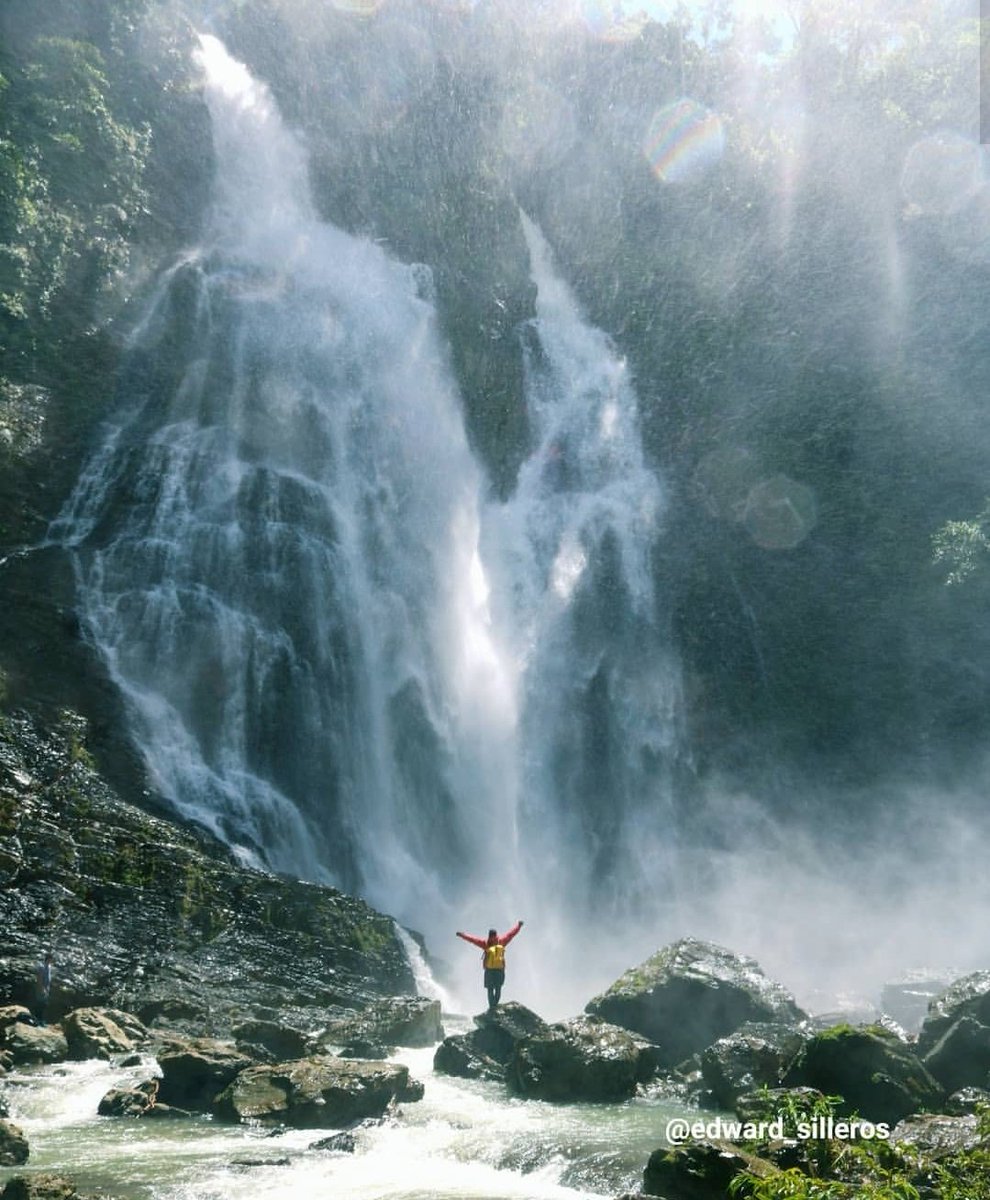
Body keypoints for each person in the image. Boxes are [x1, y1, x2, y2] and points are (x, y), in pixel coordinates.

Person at [456, 920, 524, 1009]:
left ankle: (492, 1007)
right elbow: (511, 934)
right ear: (496, 935)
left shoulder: (485, 944)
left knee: (490, 989)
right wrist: (518, 926)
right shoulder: (502, 941)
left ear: (489, 936)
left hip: (489, 970)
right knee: (498, 989)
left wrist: (462, 935)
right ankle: (494, 1006)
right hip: (500, 970)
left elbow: (473, 940)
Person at [35, 949, 53, 1026]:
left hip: (46, 989)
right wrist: (42, 989)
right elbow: (39, 979)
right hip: (41, 989)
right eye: (50, 959)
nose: (51, 961)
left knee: (44, 1005)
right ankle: (38, 1020)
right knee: (40, 1005)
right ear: (47, 959)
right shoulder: (42, 967)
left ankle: (41, 1020)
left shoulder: (49, 967)